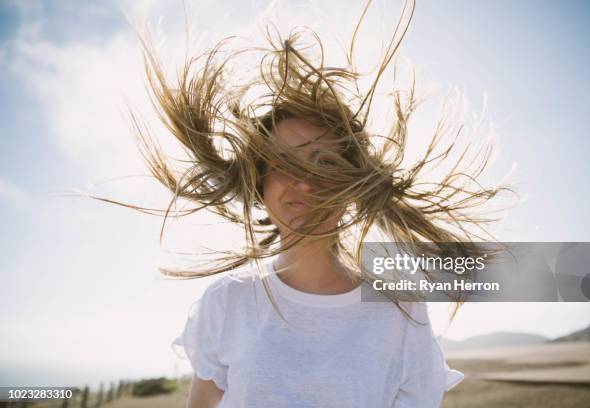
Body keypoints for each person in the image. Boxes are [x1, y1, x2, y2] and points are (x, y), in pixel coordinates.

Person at [108, 0, 511, 406]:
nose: (304, 182)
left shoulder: (400, 309)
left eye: (325, 163)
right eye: (284, 164)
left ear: (351, 185)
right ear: (259, 186)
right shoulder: (227, 302)